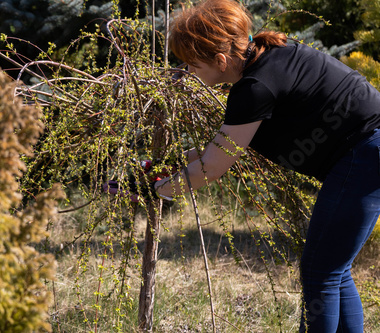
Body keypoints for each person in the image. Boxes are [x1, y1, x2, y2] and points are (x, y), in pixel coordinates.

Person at [150, 0, 380, 332]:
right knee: (333, 270)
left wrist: (159, 189)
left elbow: (212, 168)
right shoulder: (270, 54)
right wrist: (166, 165)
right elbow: (221, 147)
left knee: (321, 273)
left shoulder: (254, 89)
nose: (188, 73)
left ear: (219, 60)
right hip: (368, 150)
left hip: (364, 153)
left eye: (192, 64)